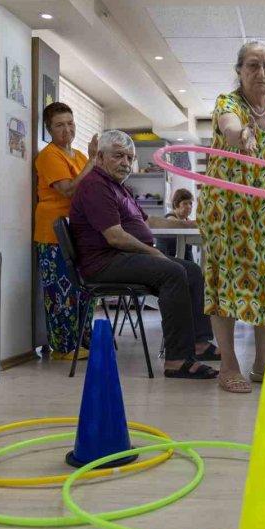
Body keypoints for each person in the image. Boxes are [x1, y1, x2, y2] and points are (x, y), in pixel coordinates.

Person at [69, 130, 218, 379]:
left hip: (121, 257)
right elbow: (114, 236)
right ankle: (176, 360)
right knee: (173, 272)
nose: (125, 163)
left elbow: (148, 221)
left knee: (191, 271)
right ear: (100, 156)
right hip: (105, 262)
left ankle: (199, 344)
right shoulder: (95, 186)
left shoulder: (119, 188)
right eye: (118, 156)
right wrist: (153, 252)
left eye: (129, 158)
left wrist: (187, 225)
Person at [197, 40, 265, 393]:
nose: (262, 73)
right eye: (253, 65)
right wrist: (243, 135)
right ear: (239, 70)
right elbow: (230, 128)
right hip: (228, 213)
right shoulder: (228, 103)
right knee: (226, 284)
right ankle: (228, 365)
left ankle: (262, 362)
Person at [34, 102, 96, 361]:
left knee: (84, 289)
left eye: (70, 123)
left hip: (79, 231)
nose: (66, 129)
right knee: (61, 290)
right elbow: (68, 189)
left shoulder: (79, 156)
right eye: (59, 125)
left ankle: (83, 340)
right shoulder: (49, 155)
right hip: (54, 233)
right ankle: (63, 347)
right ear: (49, 129)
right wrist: (94, 161)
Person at [154, 188, 197, 260]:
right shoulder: (170, 218)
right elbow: (182, 225)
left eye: (190, 203)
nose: (189, 206)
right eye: (185, 203)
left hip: (182, 256)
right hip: (167, 258)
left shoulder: (186, 220)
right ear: (176, 204)